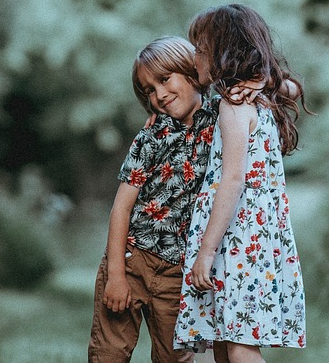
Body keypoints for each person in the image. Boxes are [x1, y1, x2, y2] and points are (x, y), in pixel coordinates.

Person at [88, 36, 267, 363]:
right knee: (108, 354)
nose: (159, 95)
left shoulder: (223, 115)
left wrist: (258, 83)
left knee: (175, 358)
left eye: (164, 79)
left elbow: (288, 90)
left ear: (191, 70)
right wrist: (115, 274)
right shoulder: (152, 135)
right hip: (132, 260)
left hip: (180, 272)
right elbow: (121, 208)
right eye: (149, 90)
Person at [174, 4, 307, 362]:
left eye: (200, 50)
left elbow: (232, 181)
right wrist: (265, 79)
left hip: (236, 243)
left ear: (222, 54)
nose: (194, 60)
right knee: (226, 340)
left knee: (239, 348)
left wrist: (206, 252)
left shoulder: (234, 106)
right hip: (254, 241)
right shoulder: (260, 98)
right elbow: (292, 87)